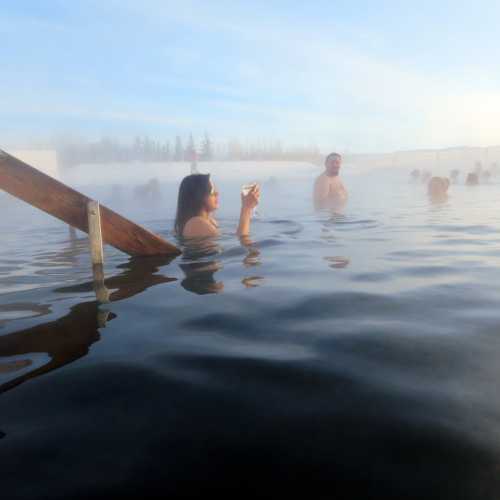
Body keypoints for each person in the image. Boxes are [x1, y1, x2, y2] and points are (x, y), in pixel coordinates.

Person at [174, 173, 260, 238]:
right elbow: (241, 239)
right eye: (212, 192)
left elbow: (235, 236)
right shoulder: (196, 223)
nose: (217, 193)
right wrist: (246, 208)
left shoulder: (210, 222)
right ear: (198, 196)